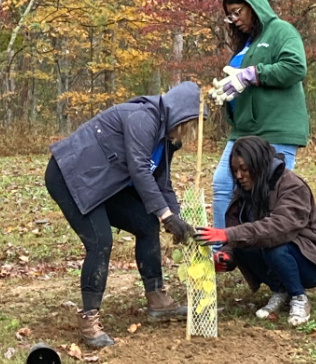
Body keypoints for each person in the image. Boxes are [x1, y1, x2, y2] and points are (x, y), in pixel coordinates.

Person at [45, 81, 201, 348]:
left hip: (105, 182)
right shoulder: (143, 118)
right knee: (100, 241)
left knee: (146, 222)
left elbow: (161, 182)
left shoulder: (166, 139)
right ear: (179, 114)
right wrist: (166, 215)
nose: (186, 134)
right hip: (71, 176)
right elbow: (140, 170)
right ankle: (89, 319)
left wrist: (175, 217)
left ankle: (157, 300)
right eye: (188, 126)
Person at [194, 136, 316, 326]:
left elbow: (279, 227)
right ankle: (280, 290)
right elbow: (237, 232)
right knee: (242, 243)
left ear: (259, 164)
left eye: (244, 169)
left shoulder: (291, 185)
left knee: (273, 246)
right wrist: (226, 257)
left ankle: (299, 296)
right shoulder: (245, 191)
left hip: (311, 261)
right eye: (235, 170)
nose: (239, 176)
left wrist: (227, 234)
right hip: (278, 253)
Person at [208, 0, 309, 231]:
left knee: (269, 193)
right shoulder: (247, 44)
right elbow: (244, 83)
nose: (234, 19)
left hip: (276, 129)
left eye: (237, 11)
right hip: (243, 132)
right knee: (223, 184)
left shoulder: (281, 31)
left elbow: (296, 67)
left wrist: (251, 74)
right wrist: (227, 93)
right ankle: (222, 249)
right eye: (229, 16)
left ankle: (267, 250)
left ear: (253, 6)